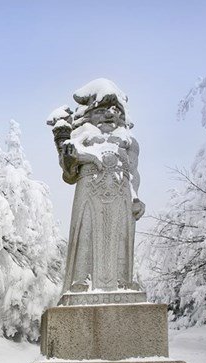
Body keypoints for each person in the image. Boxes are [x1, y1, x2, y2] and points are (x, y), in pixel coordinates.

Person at [51, 79, 145, 292]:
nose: (110, 114)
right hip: (89, 189)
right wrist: (68, 155)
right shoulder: (81, 137)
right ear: (89, 114)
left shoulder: (128, 141)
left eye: (115, 109)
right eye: (102, 109)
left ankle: (121, 281)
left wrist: (136, 197)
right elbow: (69, 174)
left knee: (120, 236)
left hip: (121, 191)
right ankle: (82, 279)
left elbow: (134, 172)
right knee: (87, 232)